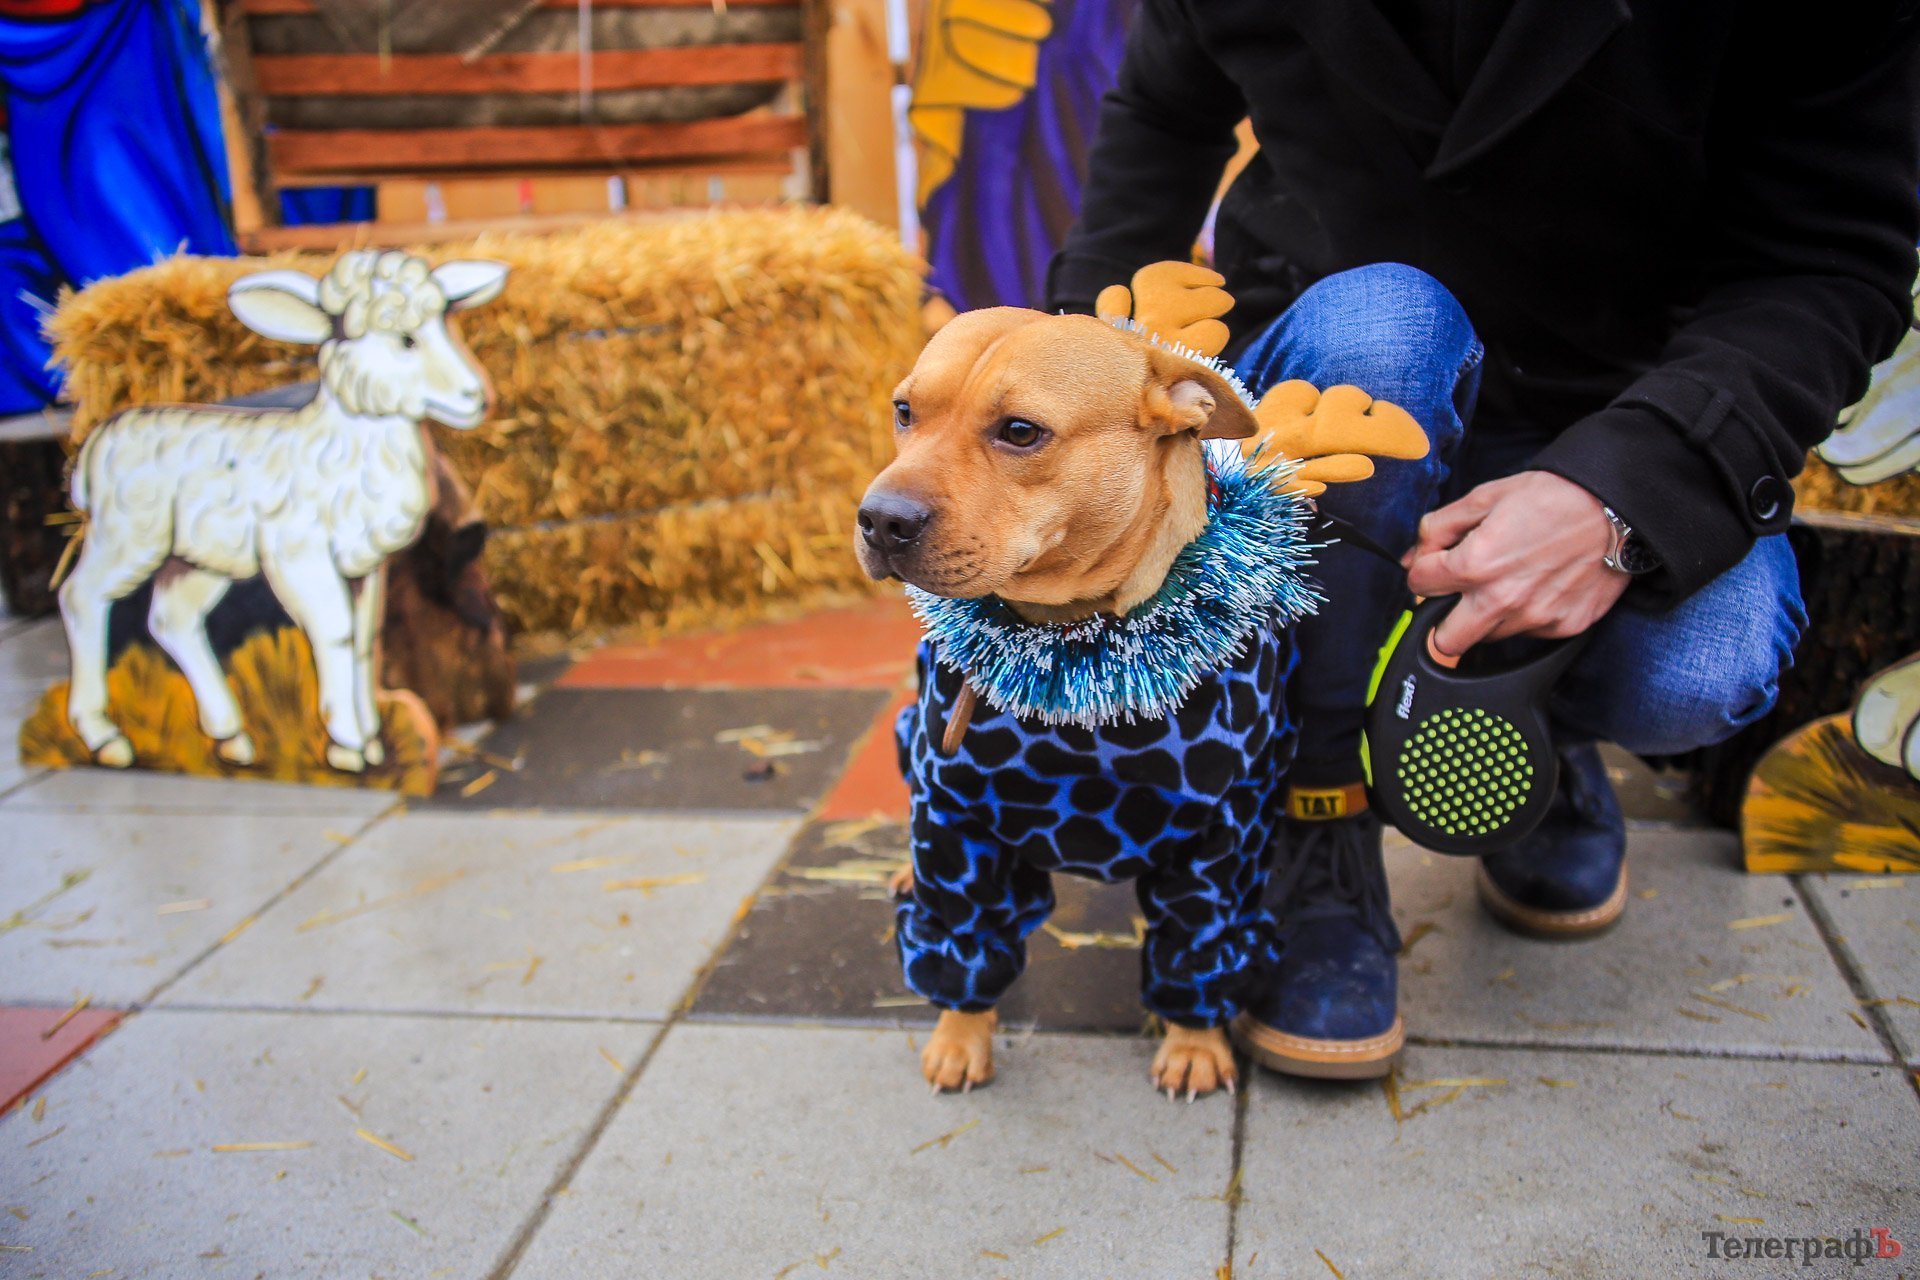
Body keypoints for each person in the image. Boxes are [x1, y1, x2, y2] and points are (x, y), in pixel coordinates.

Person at [1047, 1, 1920, 1079]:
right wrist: (1076, 387)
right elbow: (1161, 115)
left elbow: (1831, 260)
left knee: (1707, 663)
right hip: (1332, 371)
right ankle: (1318, 811)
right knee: (1389, 322)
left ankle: (1531, 737)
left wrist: (1623, 496)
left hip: (1613, 401)